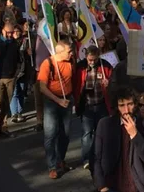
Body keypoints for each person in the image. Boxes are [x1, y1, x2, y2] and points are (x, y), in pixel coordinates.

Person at [93, 88, 144, 192]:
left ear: (135, 104)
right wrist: (102, 186)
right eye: (122, 105)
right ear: (116, 107)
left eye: (130, 104)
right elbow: (96, 158)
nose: (126, 110)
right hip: (111, 185)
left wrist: (135, 134)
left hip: (138, 186)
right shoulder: (105, 124)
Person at [38, 39, 74, 179]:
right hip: (52, 102)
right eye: (69, 51)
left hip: (67, 100)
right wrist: (58, 100)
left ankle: (60, 160)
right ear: (60, 52)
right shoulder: (48, 64)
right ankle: (52, 166)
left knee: (65, 133)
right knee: (50, 134)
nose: (71, 53)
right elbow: (42, 87)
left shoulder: (71, 62)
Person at [73, 45, 112, 170]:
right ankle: (87, 159)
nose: (92, 62)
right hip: (87, 105)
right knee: (87, 133)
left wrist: (109, 83)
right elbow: (75, 83)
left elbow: (114, 81)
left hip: (102, 105)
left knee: (102, 133)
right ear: (86, 57)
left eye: (94, 60)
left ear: (98, 56)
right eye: (90, 60)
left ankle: (102, 157)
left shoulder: (105, 65)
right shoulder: (80, 67)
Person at [0, 21, 21, 139]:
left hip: (10, 77)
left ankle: (4, 127)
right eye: (8, 33)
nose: (10, 35)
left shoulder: (14, 44)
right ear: (2, 31)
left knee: (6, 104)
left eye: (12, 33)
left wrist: (16, 74)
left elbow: (18, 60)